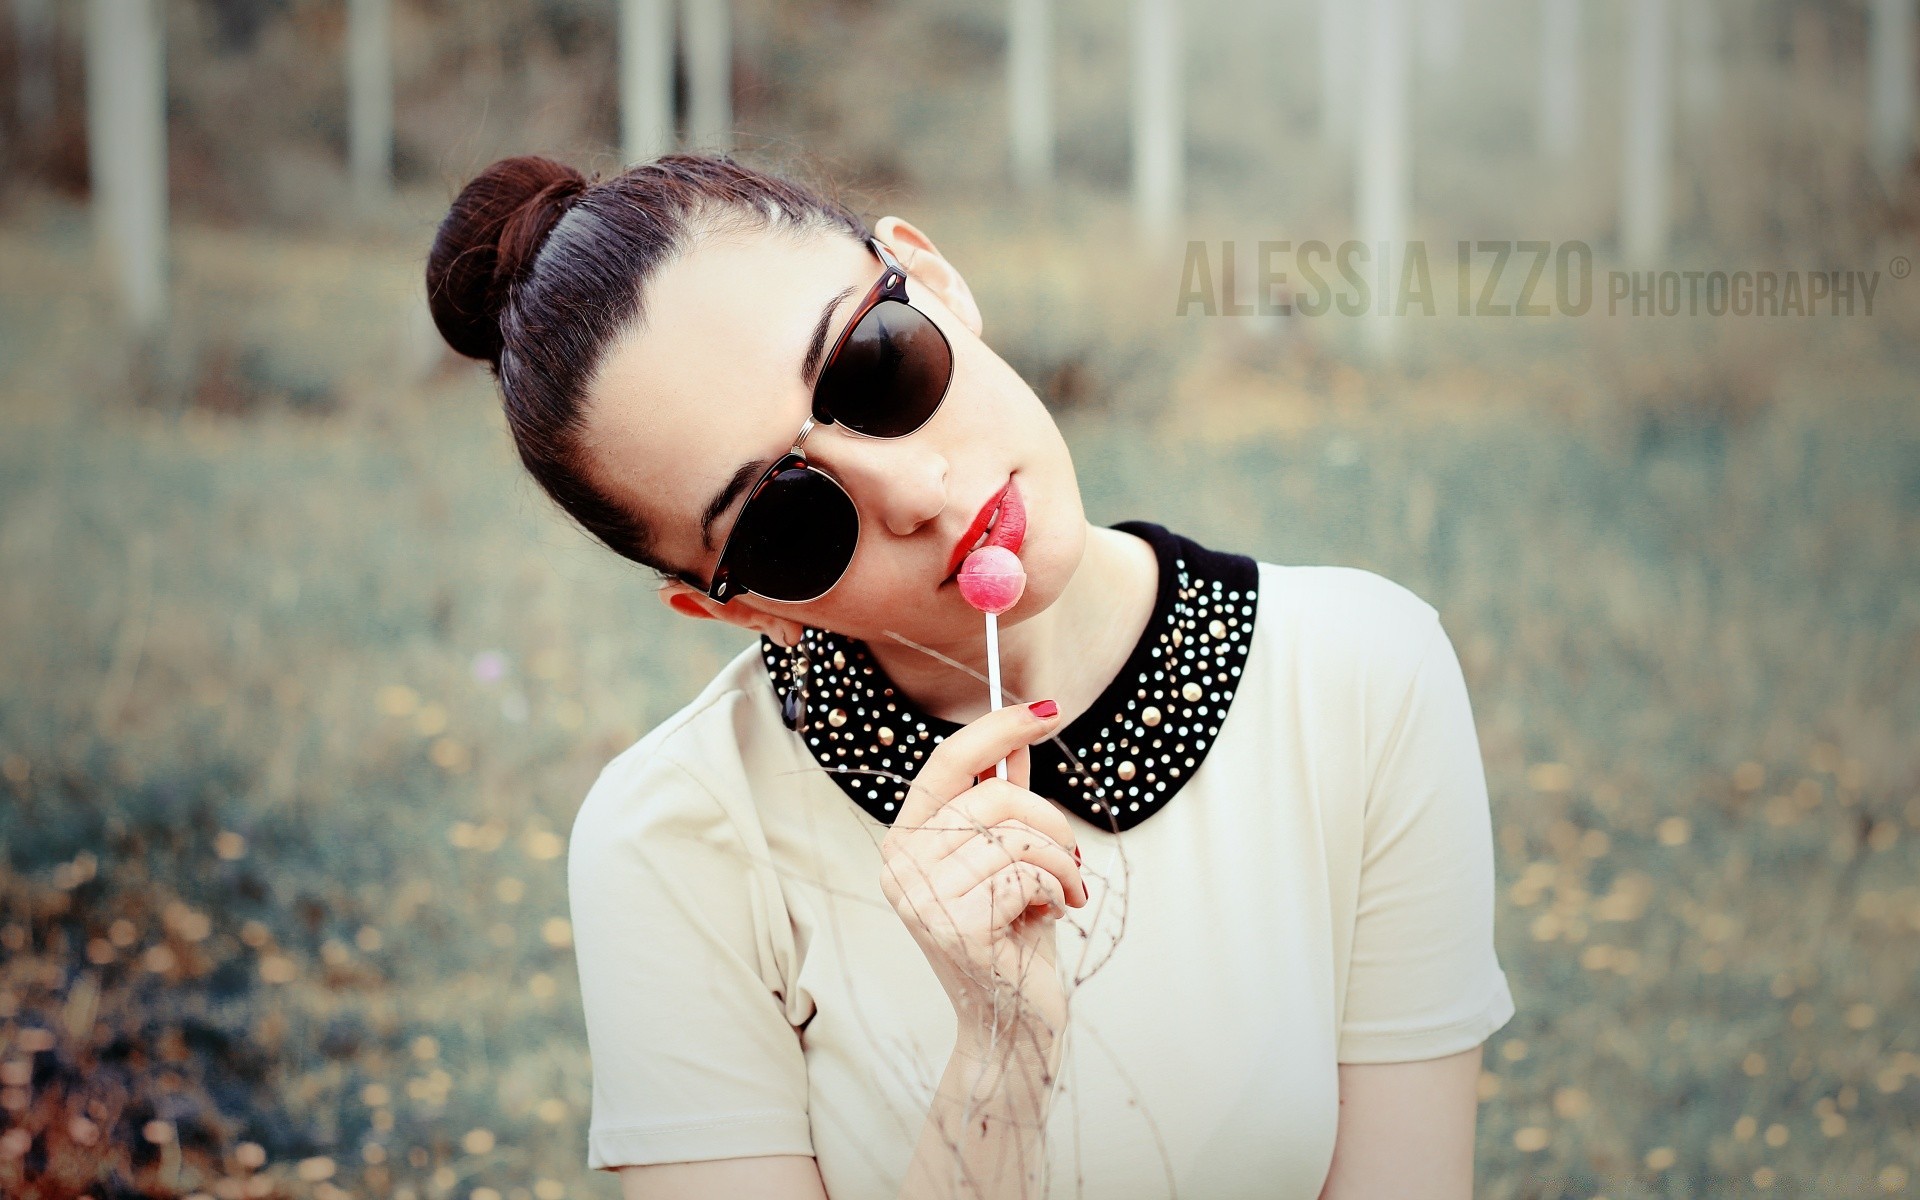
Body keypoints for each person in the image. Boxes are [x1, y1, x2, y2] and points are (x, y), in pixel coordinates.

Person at [424, 152, 1516, 1200]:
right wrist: (998, 1059)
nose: (914, 491)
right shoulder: (674, 840)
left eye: (876, 362)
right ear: (741, 607)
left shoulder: (1360, 677)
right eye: (785, 519)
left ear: (933, 275)